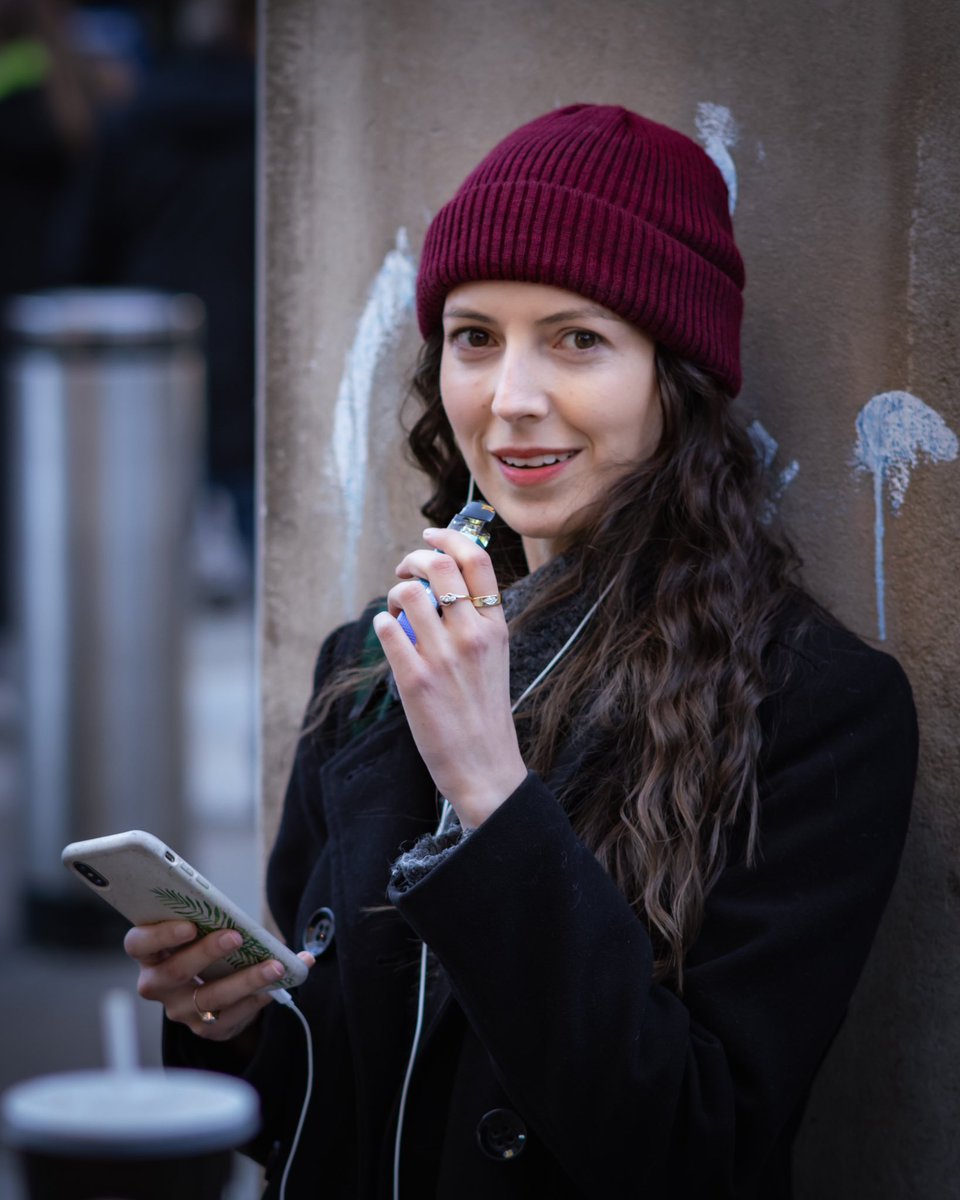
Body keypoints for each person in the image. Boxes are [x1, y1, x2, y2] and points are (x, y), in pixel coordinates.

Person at [125, 105, 918, 1199]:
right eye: (474, 336)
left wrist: (490, 790)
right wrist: (237, 1027)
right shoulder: (370, 662)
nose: (510, 401)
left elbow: (699, 1149)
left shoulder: (813, 705)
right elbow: (341, 1108)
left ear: (673, 377)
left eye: (577, 339)